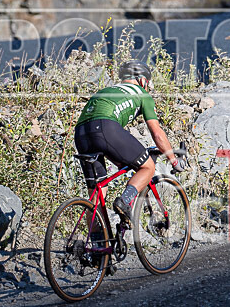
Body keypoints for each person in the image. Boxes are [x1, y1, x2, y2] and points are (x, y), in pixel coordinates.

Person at [74, 60, 186, 223]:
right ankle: (124, 201)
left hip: (81, 133)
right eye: (147, 83)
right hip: (106, 127)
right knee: (147, 167)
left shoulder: (106, 90)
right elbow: (157, 133)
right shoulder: (141, 93)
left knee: (97, 193)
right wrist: (174, 161)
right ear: (142, 80)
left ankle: (98, 244)